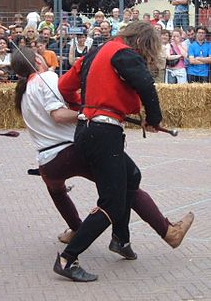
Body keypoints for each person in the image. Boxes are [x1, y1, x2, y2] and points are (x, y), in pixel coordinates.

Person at [11, 46, 194, 282]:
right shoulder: (47, 77)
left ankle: (92, 232)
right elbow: (57, 115)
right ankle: (164, 231)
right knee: (125, 185)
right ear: (37, 60)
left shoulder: (23, 92)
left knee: (59, 191)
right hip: (70, 151)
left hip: (47, 161)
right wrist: (90, 113)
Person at [57, 21, 194, 281]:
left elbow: (64, 86)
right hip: (104, 135)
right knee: (112, 202)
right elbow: (146, 86)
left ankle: (121, 239)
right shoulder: (124, 53)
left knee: (131, 176)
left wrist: (87, 107)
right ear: (141, 42)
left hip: (86, 133)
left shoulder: (94, 53)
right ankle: (67, 258)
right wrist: (153, 119)